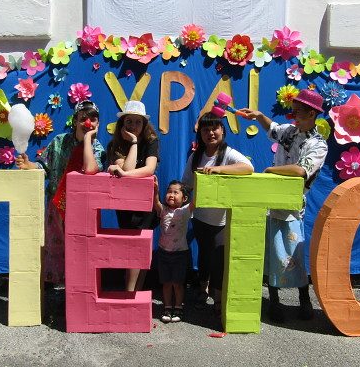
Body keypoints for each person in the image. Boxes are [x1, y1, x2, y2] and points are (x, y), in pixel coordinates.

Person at [239, 89, 328, 322]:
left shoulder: (318, 144)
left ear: (311, 113)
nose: (293, 115)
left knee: (292, 251)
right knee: (270, 252)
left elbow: (302, 170)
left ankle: (303, 297)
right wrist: (259, 116)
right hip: (270, 200)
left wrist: (272, 170)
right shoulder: (289, 131)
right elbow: (273, 129)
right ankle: (274, 300)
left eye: (298, 111)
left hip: (292, 205)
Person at [15, 100, 105, 284]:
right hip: (57, 207)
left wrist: (88, 140)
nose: (88, 122)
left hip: (83, 211)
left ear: (98, 123)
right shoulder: (59, 141)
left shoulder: (98, 149)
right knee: (55, 250)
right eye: (83, 118)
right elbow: (43, 166)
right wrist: (28, 165)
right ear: (75, 121)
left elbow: (91, 168)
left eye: (93, 119)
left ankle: (77, 291)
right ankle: (56, 290)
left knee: (81, 252)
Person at [181, 112, 254, 316]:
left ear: (223, 130)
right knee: (204, 255)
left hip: (222, 219)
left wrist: (219, 170)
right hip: (200, 217)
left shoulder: (229, 153)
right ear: (201, 134)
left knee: (219, 259)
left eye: (215, 128)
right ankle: (203, 289)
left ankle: (219, 297)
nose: (211, 133)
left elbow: (248, 167)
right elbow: (186, 183)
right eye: (206, 130)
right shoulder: (195, 156)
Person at [106, 100, 160, 291]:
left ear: (144, 124)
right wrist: (134, 143)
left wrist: (125, 175)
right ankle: (130, 293)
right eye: (129, 121)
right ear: (122, 123)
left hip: (145, 204)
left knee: (141, 248)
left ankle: (134, 293)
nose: (133, 126)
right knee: (131, 248)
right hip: (126, 204)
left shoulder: (152, 141)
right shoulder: (114, 145)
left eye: (138, 122)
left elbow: (149, 169)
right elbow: (128, 168)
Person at [153, 178, 194, 323]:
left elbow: (195, 203)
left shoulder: (184, 211)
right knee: (166, 283)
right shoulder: (163, 210)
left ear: (184, 198)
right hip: (163, 253)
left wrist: (200, 184)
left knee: (177, 283)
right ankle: (167, 307)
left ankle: (178, 307)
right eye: (169, 191)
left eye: (176, 192)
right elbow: (156, 203)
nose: (171, 195)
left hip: (180, 254)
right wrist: (156, 190)